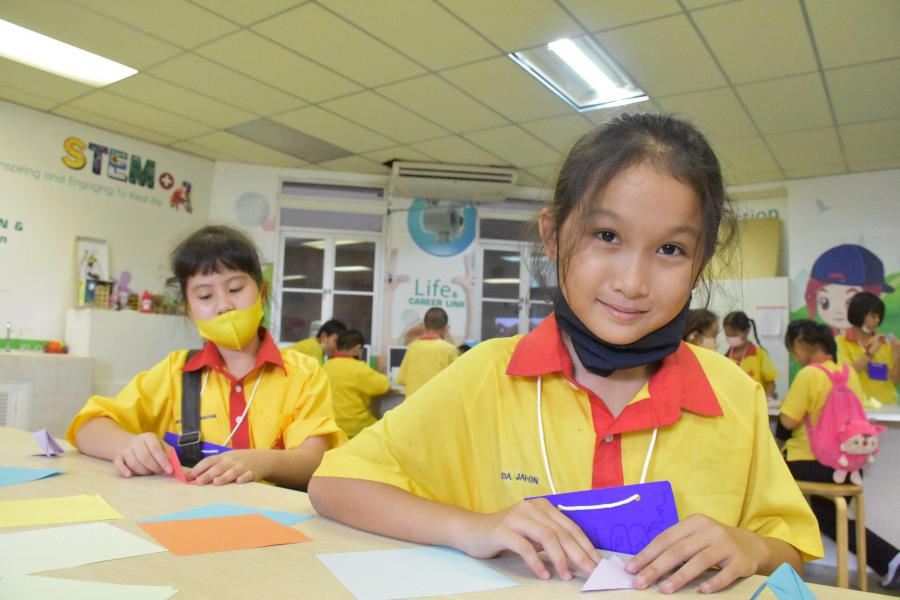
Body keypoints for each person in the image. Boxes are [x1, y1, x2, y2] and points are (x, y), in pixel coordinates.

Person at [309, 113, 821, 594]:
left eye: (671, 249)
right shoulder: (487, 374)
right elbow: (334, 483)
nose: (632, 282)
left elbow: (792, 553)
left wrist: (751, 547)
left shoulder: (732, 393)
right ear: (554, 237)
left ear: (701, 261)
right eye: (607, 236)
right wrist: (472, 527)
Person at [67, 225, 345, 488]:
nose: (224, 305)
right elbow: (88, 428)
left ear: (262, 293)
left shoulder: (302, 372)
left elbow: (315, 460)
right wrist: (130, 446)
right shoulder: (176, 372)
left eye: (235, 289)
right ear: (189, 309)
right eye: (204, 296)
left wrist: (264, 462)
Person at [779, 319, 900, 589]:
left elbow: (787, 421)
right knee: (828, 518)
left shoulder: (809, 375)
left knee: (767, 477)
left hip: (811, 462)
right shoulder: (847, 372)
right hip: (846, 466)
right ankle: (892, 560)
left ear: (800, 345)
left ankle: (772, 562)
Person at [323, 329, 391, 439]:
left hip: (331, 427)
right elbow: (384, 385)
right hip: (356, 427)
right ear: (357, 349)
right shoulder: (359, 368)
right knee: (387, 429)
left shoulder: (325, 367)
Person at [835, 292, 900, 405]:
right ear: (859, 314)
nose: (878, 320)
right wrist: (870, 352)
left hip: (886, 406)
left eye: (879, 316)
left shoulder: (886, 342)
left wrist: (898, 356)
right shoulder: (840, 342)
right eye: (873, 316)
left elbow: (894, 381)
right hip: (855, 407)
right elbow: (846, 375)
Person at [395, 307, 459, 396]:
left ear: (424, 326)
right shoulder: (449, 349)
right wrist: (449, 338)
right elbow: (458, 380)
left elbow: (402, 380)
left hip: (413, 402)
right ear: (445, 328)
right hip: (436, 401)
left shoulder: (413, 347)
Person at [723, 311, 778, 400]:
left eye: (734, 335)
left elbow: (770, 383)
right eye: (727, 335)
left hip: (755, 403)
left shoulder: (759, 355)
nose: (731, 338)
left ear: (746, 331)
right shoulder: (726, 356)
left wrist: (767, 399)